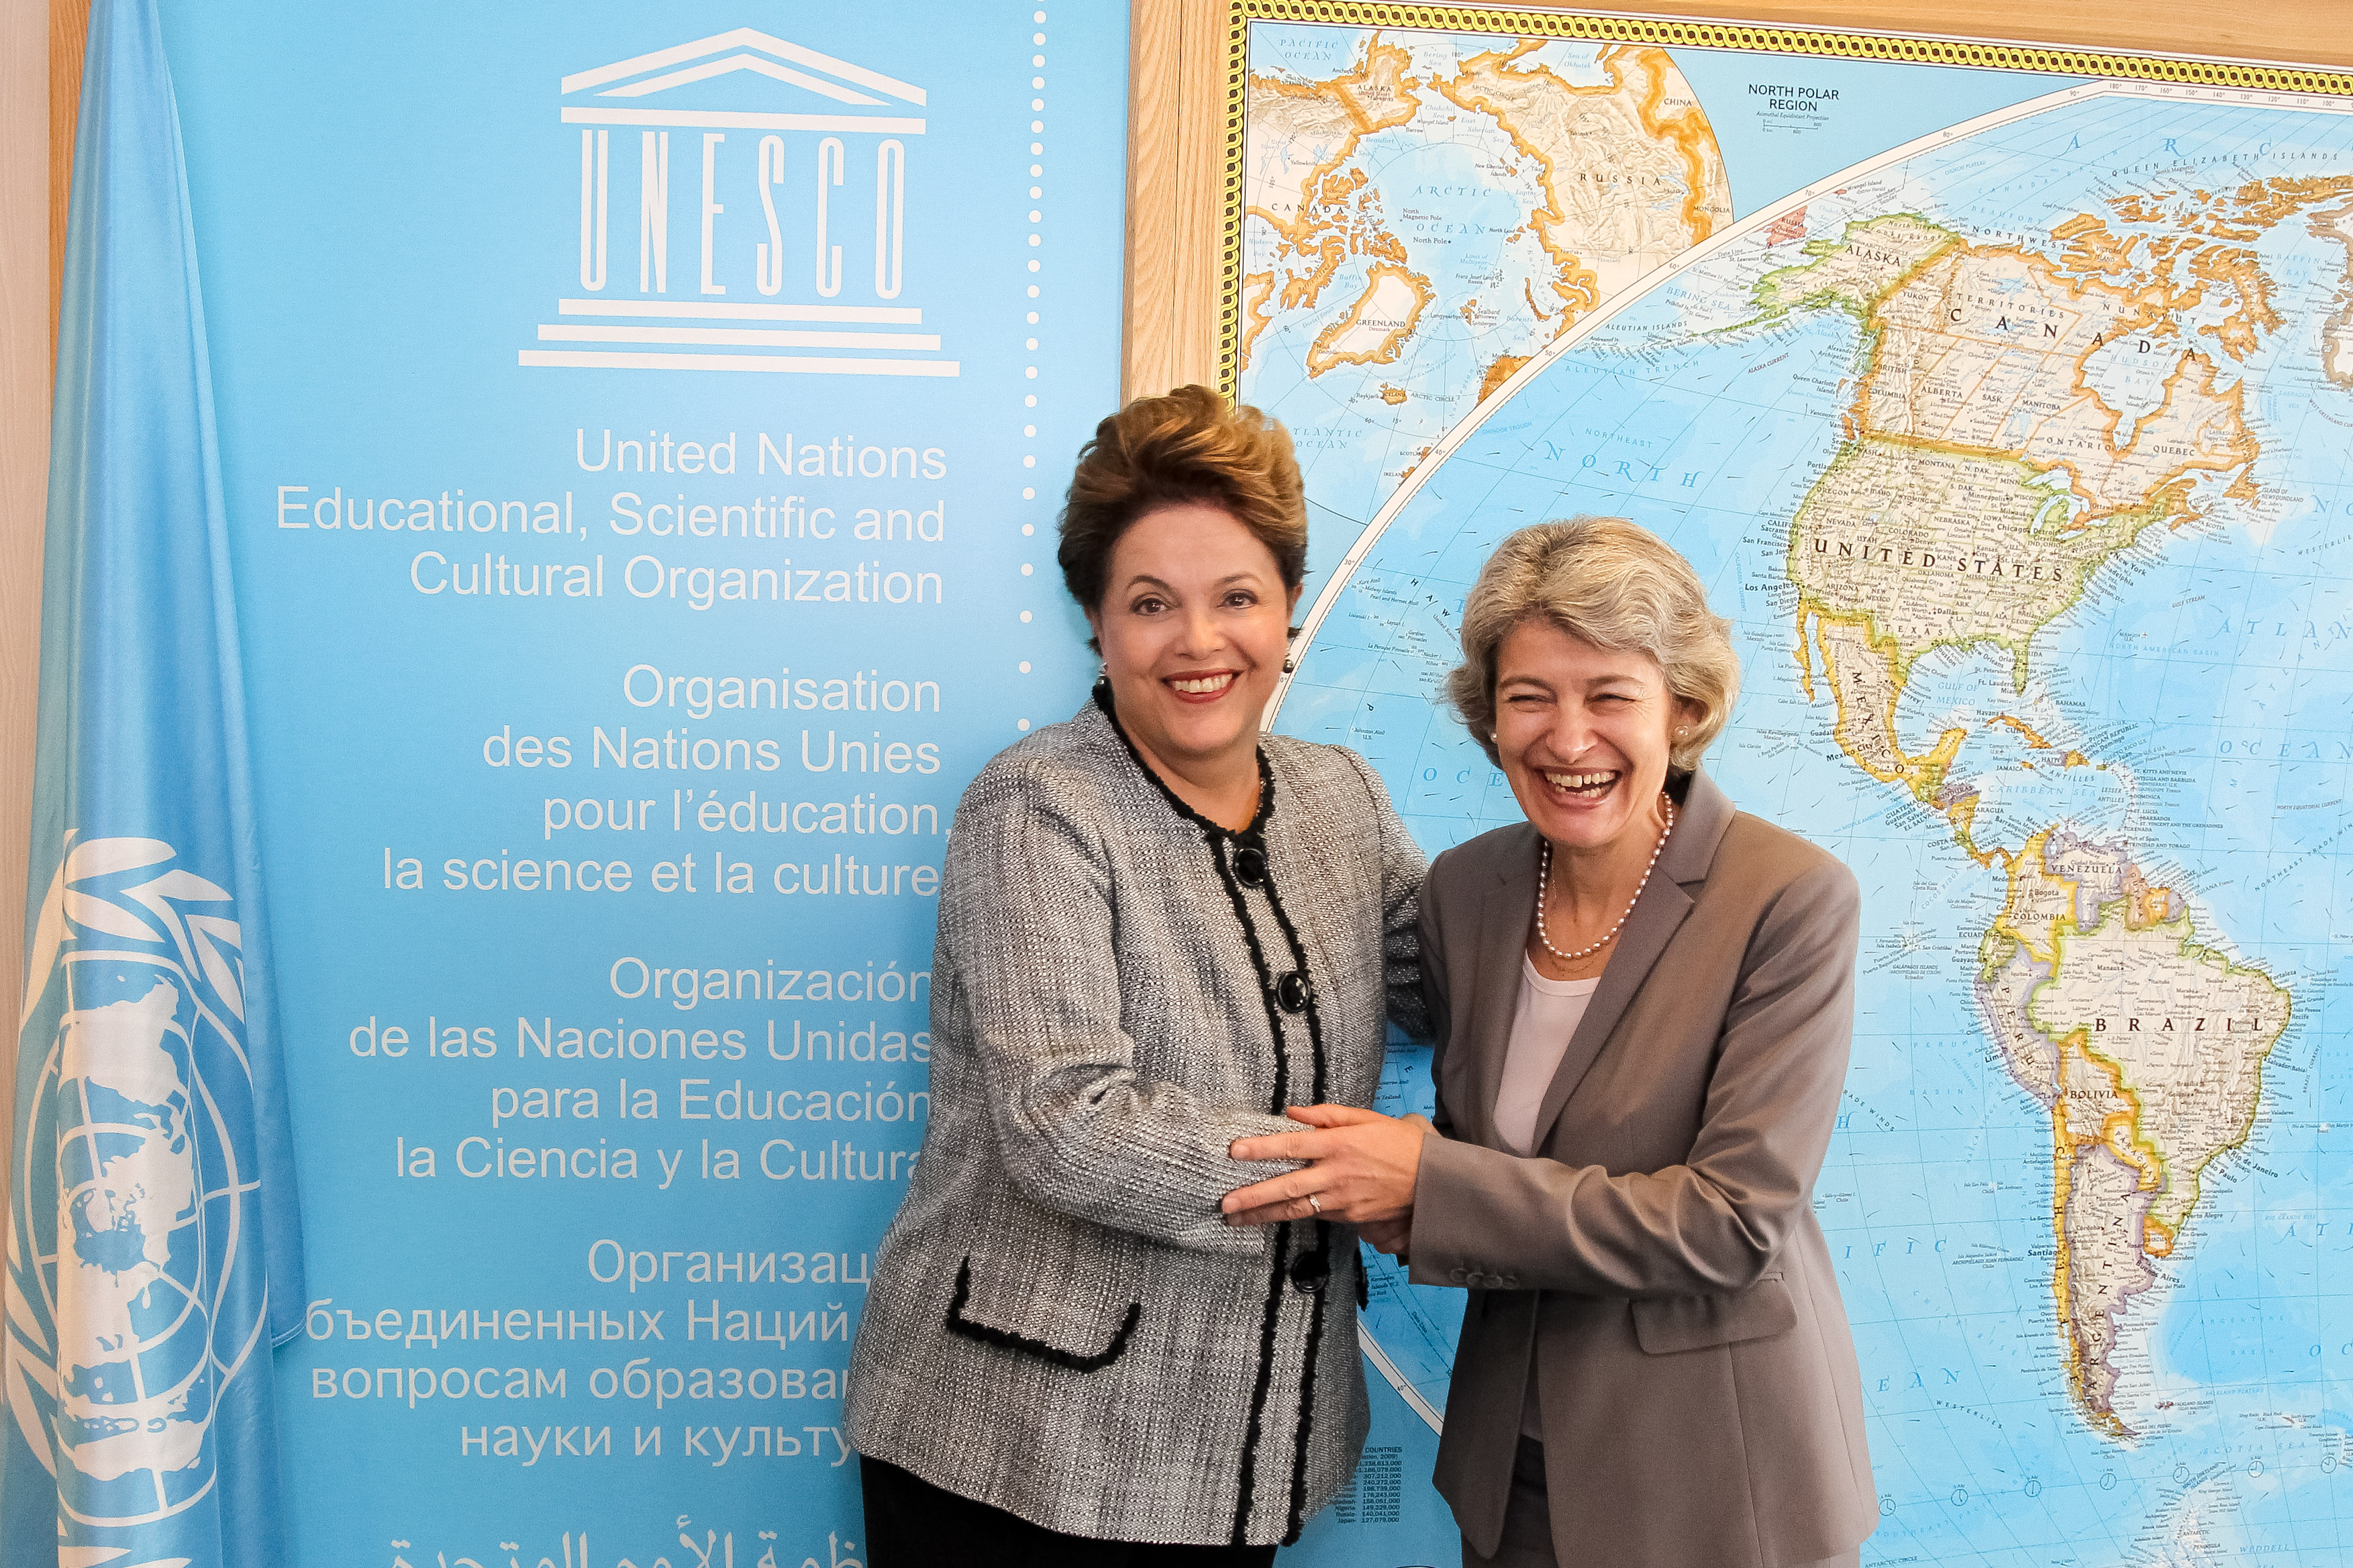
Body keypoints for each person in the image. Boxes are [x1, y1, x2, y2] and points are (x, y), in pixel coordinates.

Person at [843, 386, 1428, 1565]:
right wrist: (1343, 1175)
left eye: (1236, 598)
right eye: (1150, 603)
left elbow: (1448, 989)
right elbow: (1066, 1123)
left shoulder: (1341, 798)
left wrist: (1614, 869)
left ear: (1288, 612)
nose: (1198, 641)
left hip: (1247, 1440)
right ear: (1096, 624)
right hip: (1017, 1447)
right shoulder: (1036, 802)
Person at [1221, 517, 1875, 1568]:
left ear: (1685, 707)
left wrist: (1428, 1183)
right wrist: (1385, 1193)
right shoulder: (1465, 892)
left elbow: (1729, 1224)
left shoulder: (1788, 899)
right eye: (1530, 697)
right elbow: (1489, 1156)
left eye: (1610, 694)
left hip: (1715, 1471)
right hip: (1508, 1455)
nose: (1567, 740)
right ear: (1489, 719)